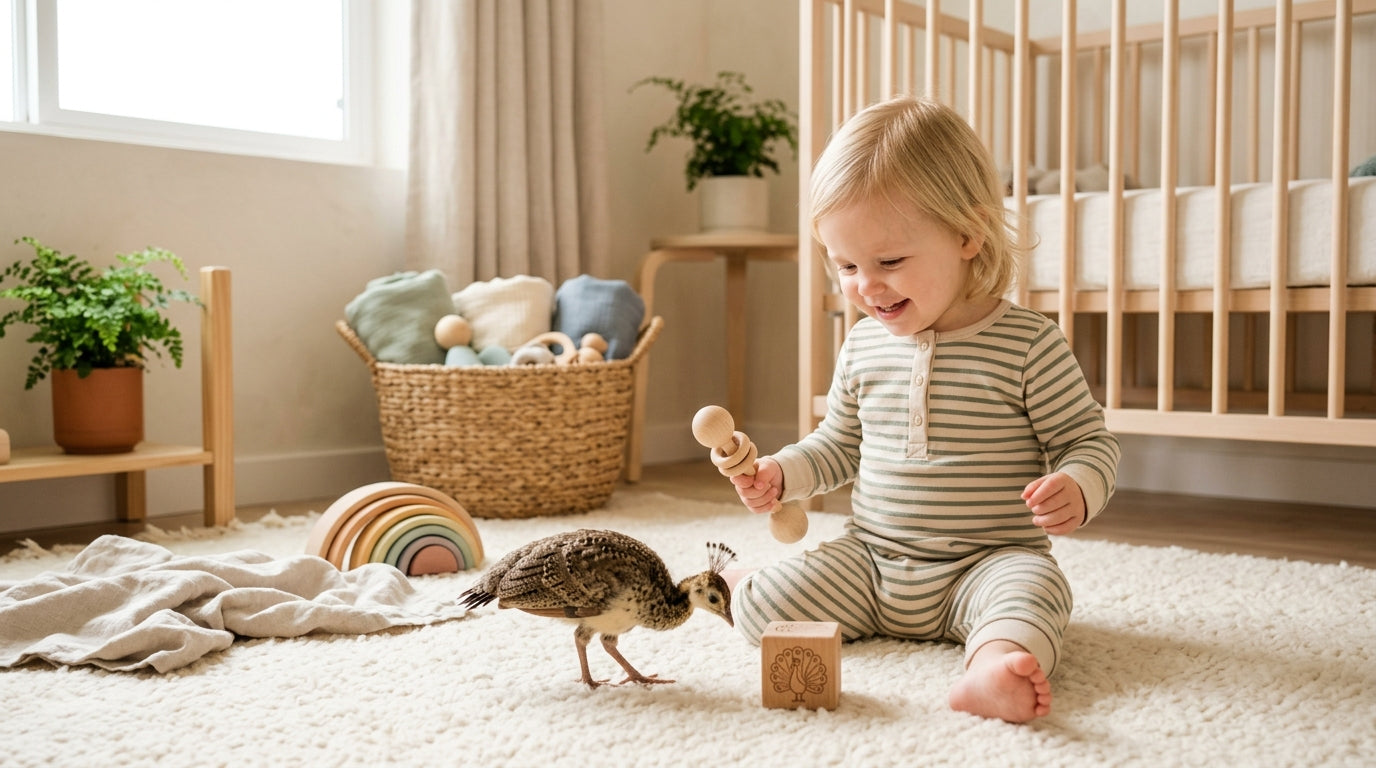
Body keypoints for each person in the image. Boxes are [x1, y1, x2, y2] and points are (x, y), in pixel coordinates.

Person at [724, 96, 1120, 723]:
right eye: (846, 266)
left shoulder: (1028, 343)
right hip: (872, 561)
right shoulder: (861, 344)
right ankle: (746, 584)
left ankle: (992, 667)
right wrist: (782, 474)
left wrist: (1078, 484)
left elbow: (1089, 441)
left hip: (985, 562)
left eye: (889, 262)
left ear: (969, 232)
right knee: (767, 603)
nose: (866, 286)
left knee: (1034, 594)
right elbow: (839, 445)